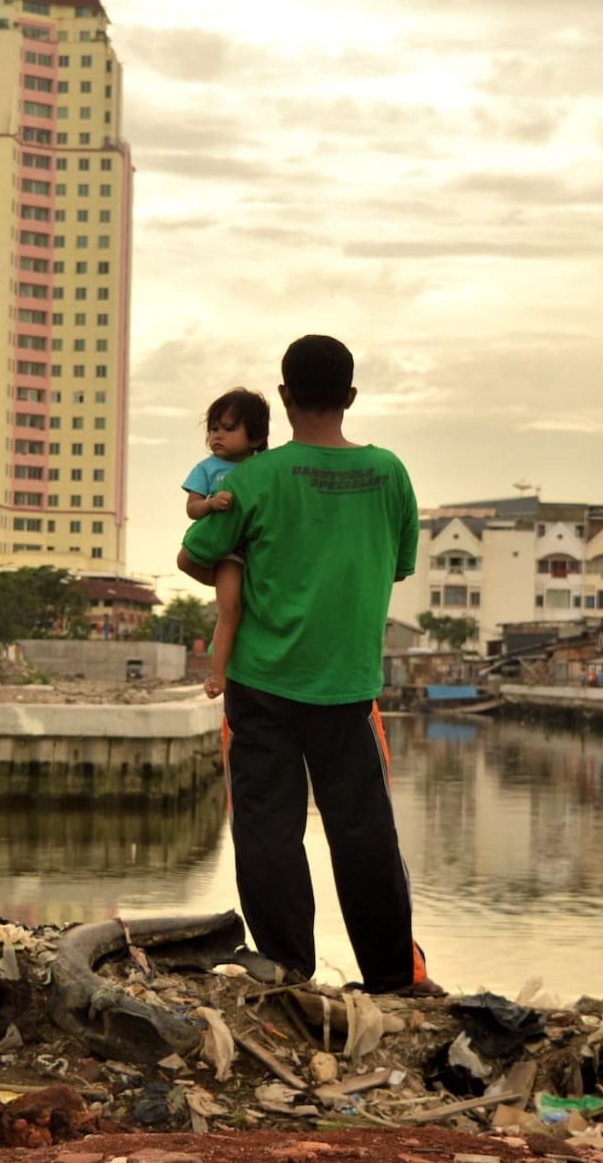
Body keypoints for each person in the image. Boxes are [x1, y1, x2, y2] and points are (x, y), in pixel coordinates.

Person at [178, 335, 439, 997]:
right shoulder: (389, 473)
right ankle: (392, 978)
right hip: (348, 685)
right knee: (365, 831)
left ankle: (286, 972)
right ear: (350, 396)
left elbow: (196, 552)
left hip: (260, 684)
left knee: (267, 827)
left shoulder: (252, 478)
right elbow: (398, 563)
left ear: (285, 396)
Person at [183, 388, 272, 699]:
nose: (217, 436)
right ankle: (218, 676)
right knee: (230, 610)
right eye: (213, 429)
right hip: (229, 553)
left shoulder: (265, 467)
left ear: (256, 438)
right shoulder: (207, 468)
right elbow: (192, 509)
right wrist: (210, 504)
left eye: (228, 429)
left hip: (262, 549)